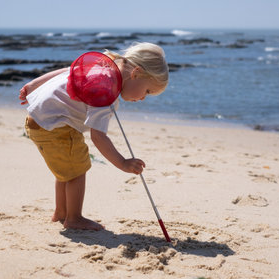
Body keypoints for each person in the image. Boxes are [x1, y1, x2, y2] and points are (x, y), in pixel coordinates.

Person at [19, 42, 169, 230]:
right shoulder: (105, 91)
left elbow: (67, 70)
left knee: (66, 168)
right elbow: (98, 137)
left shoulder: (102, 64)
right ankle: (74, 219)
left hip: (37, 119)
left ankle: (61, 212)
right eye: (147, 91)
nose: (143, 98)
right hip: (56, 126)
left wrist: (33, 84)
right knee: (78, 168)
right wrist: (122, 163)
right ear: (136, 73)